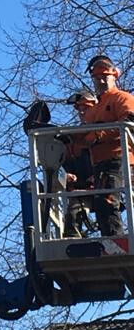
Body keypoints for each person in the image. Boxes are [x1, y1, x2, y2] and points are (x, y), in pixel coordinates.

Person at [83, 55, 134, 237]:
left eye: (105, 76)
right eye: (97, 78)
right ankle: (108, 238)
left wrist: (100, 134)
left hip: (118, 158)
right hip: (98, 163)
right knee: (101, 203)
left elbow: (129, 120)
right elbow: (83, 136)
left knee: (108, 200)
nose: (101, 80)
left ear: (114, 75)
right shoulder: (94, 109)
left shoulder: (121, 98)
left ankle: (115, 240)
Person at [61, 88, 97, 238]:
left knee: (108, 214)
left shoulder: (109, 131)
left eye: (86, 108)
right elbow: (64, 161)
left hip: (104, 185)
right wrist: (65, 175)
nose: (82, 113)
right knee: (74, 213)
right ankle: (73, 236)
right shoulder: (74, 137)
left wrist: (98, 175)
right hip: (81, 189)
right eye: (79, 109)